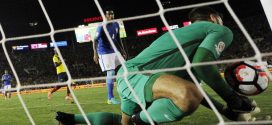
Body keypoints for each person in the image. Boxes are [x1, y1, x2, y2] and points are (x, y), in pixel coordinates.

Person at [56, 6, 257, 125]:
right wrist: (233, 98)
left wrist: (223, 109)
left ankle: (71, 119)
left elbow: (197, 78)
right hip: (138, 75)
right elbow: (202, 65)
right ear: (214, 18)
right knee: (188, 96)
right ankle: (138, 120)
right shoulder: (219, 29)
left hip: (133, 79)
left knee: (124, 122)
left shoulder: (189, 43)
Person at [92, 8, 125, 104]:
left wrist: (122, 51)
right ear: (105, 16)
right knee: (110, 73)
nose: (111, 16)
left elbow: (118, 39)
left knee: (126, 67)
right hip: (104, 52)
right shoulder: (101, 26)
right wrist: (95, 53)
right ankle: (110, 98)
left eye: (112, 14)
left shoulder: (116, 24)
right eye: (109, 14)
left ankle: (126, 91)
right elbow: (95, 40)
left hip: (115, 51)